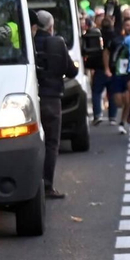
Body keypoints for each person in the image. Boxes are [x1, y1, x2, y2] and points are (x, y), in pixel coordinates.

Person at [31, 11, 77, 199]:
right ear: (51, 26)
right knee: (51, 143)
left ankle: (30, 184)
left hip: (30, 99)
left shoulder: (28, 43)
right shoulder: (57, 43)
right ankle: (47, 185)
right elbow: (71, 71)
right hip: (51, 99)